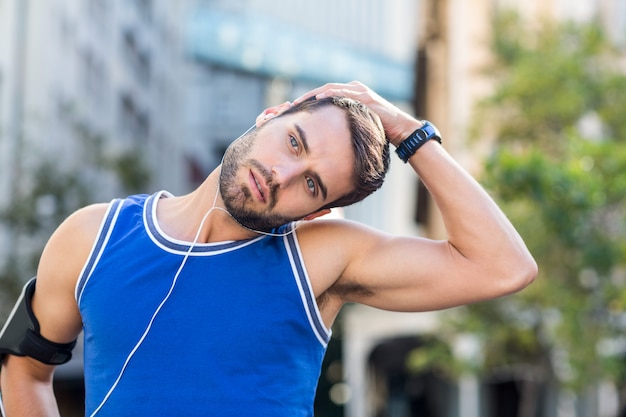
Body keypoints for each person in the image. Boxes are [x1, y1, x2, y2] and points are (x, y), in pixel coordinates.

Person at [0, 81, 537, 416]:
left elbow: (502, 267)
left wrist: (409, 132)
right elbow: (24, 367)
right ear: (272, 115)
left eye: (312, 184)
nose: (280, 174)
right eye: (295, 142)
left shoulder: (322, 259)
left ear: (319, 211)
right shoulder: (93, 236)